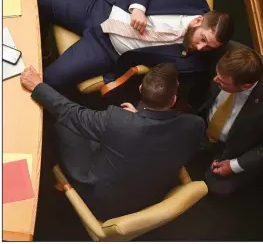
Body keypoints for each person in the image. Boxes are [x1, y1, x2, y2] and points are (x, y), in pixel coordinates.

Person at [20, 63, 205, 220]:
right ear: (173, 100)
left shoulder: (117, 120)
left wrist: (38, 86)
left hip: (102, 202)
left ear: (140, 89)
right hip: (153, 195)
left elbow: (72, 113)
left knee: (64, 125)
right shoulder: (195, 125)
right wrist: (140, 117)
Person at [38, 0, 233, 90]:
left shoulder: (194, 63)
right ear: (198, 20)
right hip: (101, 10)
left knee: (49, 80)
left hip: (106, 50)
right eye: (203, 39)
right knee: (36, 0)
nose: (200, 48)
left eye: (209, 47)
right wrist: (139, 7)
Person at [190, 46, 263, 195]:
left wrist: (234, 165)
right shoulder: (228, 53)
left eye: (222, 82)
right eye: (217, 75)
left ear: (246, 86)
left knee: (218, 186)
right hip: (205, 120)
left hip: (238, 143)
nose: (215, 80)